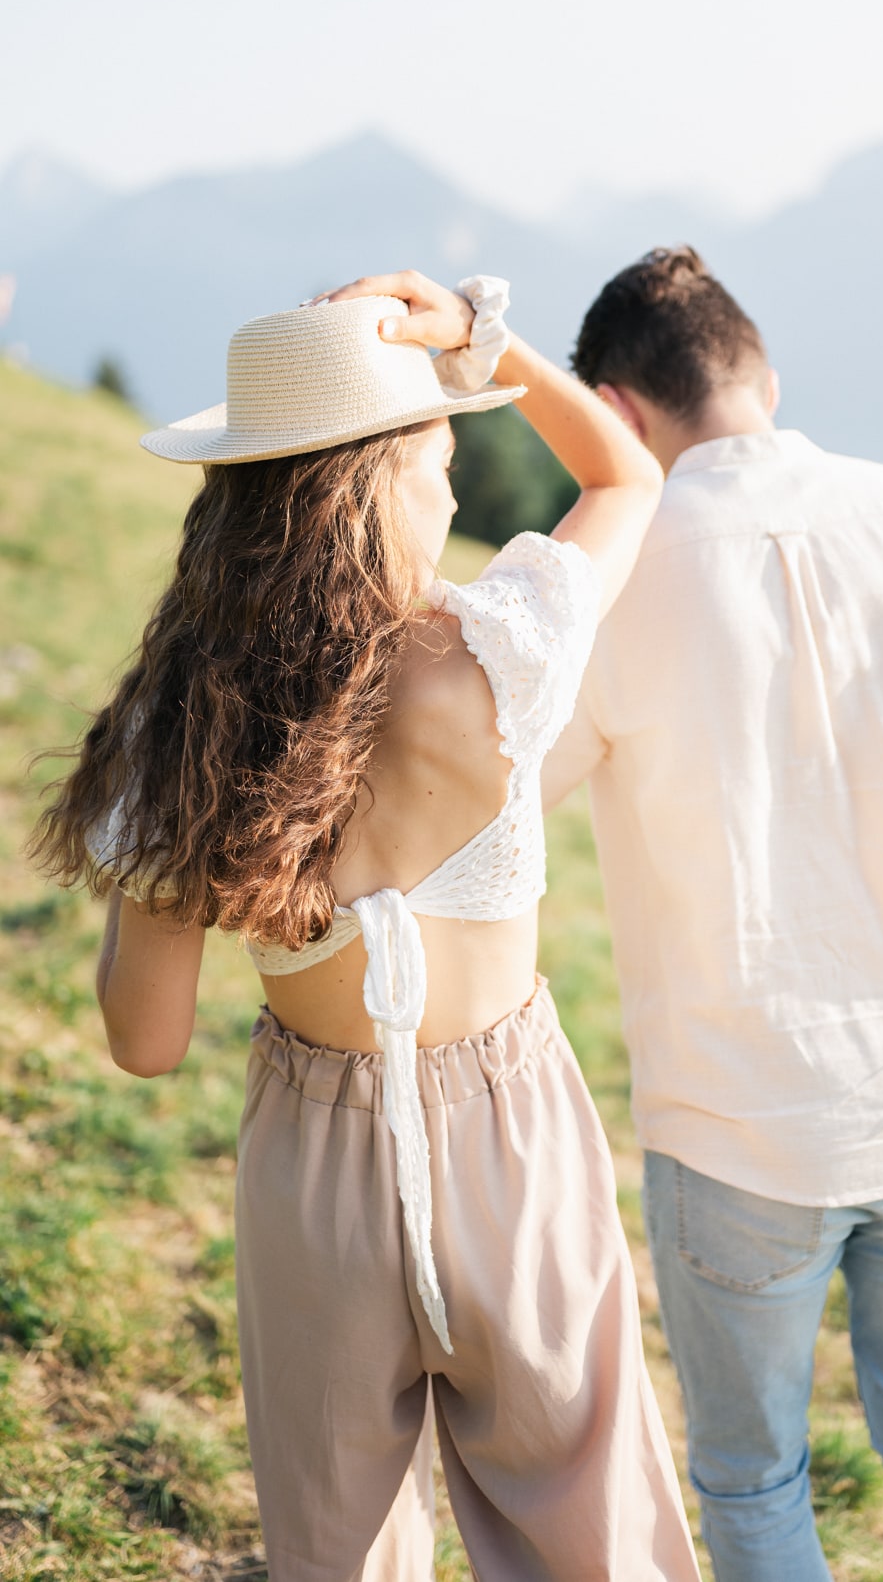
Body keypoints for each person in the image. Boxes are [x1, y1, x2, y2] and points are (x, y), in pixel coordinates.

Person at [32, 270, 702, 1582]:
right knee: (596, 1533)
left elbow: (145, 1042)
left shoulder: (183, 737)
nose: (452, 491)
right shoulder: (496, 651)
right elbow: (628, 479)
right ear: (384, 481)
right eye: (441, 456)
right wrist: (474, 340)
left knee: (334, 1552)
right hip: (514, 1144)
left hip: (314, 1176)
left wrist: (161, 835)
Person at [542, 246, 883, 1582]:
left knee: (753, 1480)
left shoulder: (604, 578)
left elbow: (495, 797)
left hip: (745, 1127)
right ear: (765, 377)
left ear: (612, 412)